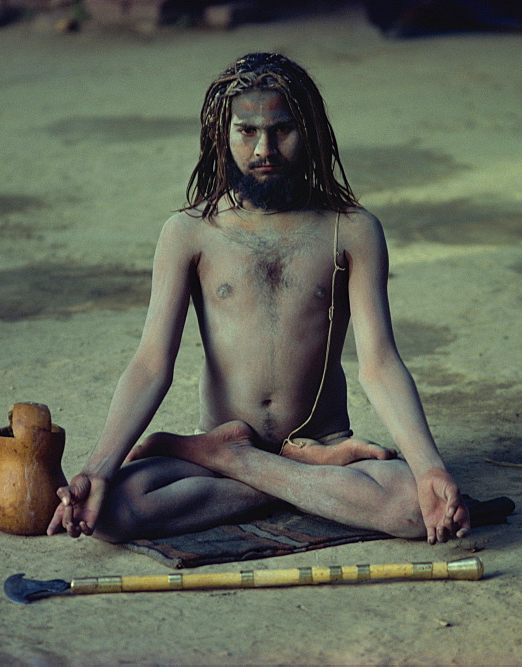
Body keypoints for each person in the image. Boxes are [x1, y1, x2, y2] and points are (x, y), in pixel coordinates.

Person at [47, 52, 470, 546]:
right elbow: (149, 363)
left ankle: (238, 459)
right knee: (114, 513)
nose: (264, 148)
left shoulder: (351, 229)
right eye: (247, 132)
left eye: (282, 130)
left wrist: (427, 469)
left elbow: (379, 363)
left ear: (308, 131)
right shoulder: (189, 232)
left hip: (322, 441)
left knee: (414, 510)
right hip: (240, 439)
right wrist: (98, 469)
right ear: (221, 138)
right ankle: (268, 468)